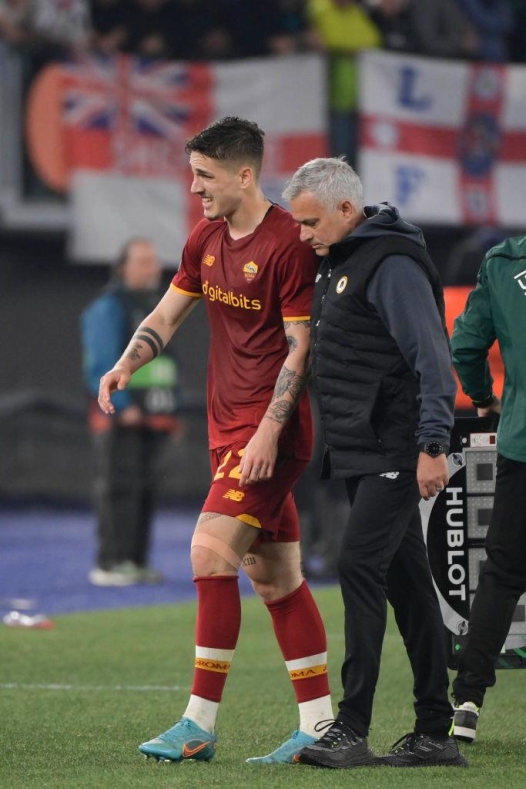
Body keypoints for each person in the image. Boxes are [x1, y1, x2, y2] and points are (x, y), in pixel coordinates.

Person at [97, 117, 333, 764]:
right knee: (277, 575)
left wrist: (267, 431)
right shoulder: (205, 237)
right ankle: (319, 724)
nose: (195, 187)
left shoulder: (287, 242)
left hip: (268, 434)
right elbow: (167, 314)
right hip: (227, 431)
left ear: (244, 174)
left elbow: (300, 348)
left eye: (205, 175)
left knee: (208, 553)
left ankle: (197, 721)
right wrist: (125, 362)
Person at [282, 157, 467, 768]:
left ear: (344, 209)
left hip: (396, 447)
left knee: (357, 566)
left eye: (310, 222)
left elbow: (432, 357)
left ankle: (351, 728)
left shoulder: (389, 263)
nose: (303, 234)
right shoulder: (340, 262)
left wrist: (433, 444)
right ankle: (435, 734)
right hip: (363, 449)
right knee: (408, 585)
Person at [450, 235, 526, 743]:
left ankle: (468, 702)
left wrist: (482, 396)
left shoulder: (504, 262)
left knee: (501, 574)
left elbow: (465, 344)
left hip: (521, 444)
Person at [81, 237, 180, 586]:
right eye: (143, 261)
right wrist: (121, 407)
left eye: (153, 260)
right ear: (124, 267)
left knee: (145, 491)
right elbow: (99, 363)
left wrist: (171, 409)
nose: (152, 267)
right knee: (118, 489)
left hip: (153, 418)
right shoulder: (109, 307)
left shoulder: (156, 306)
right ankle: (110, 562)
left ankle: (135, 561)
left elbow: (165, 365)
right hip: (120, 417)